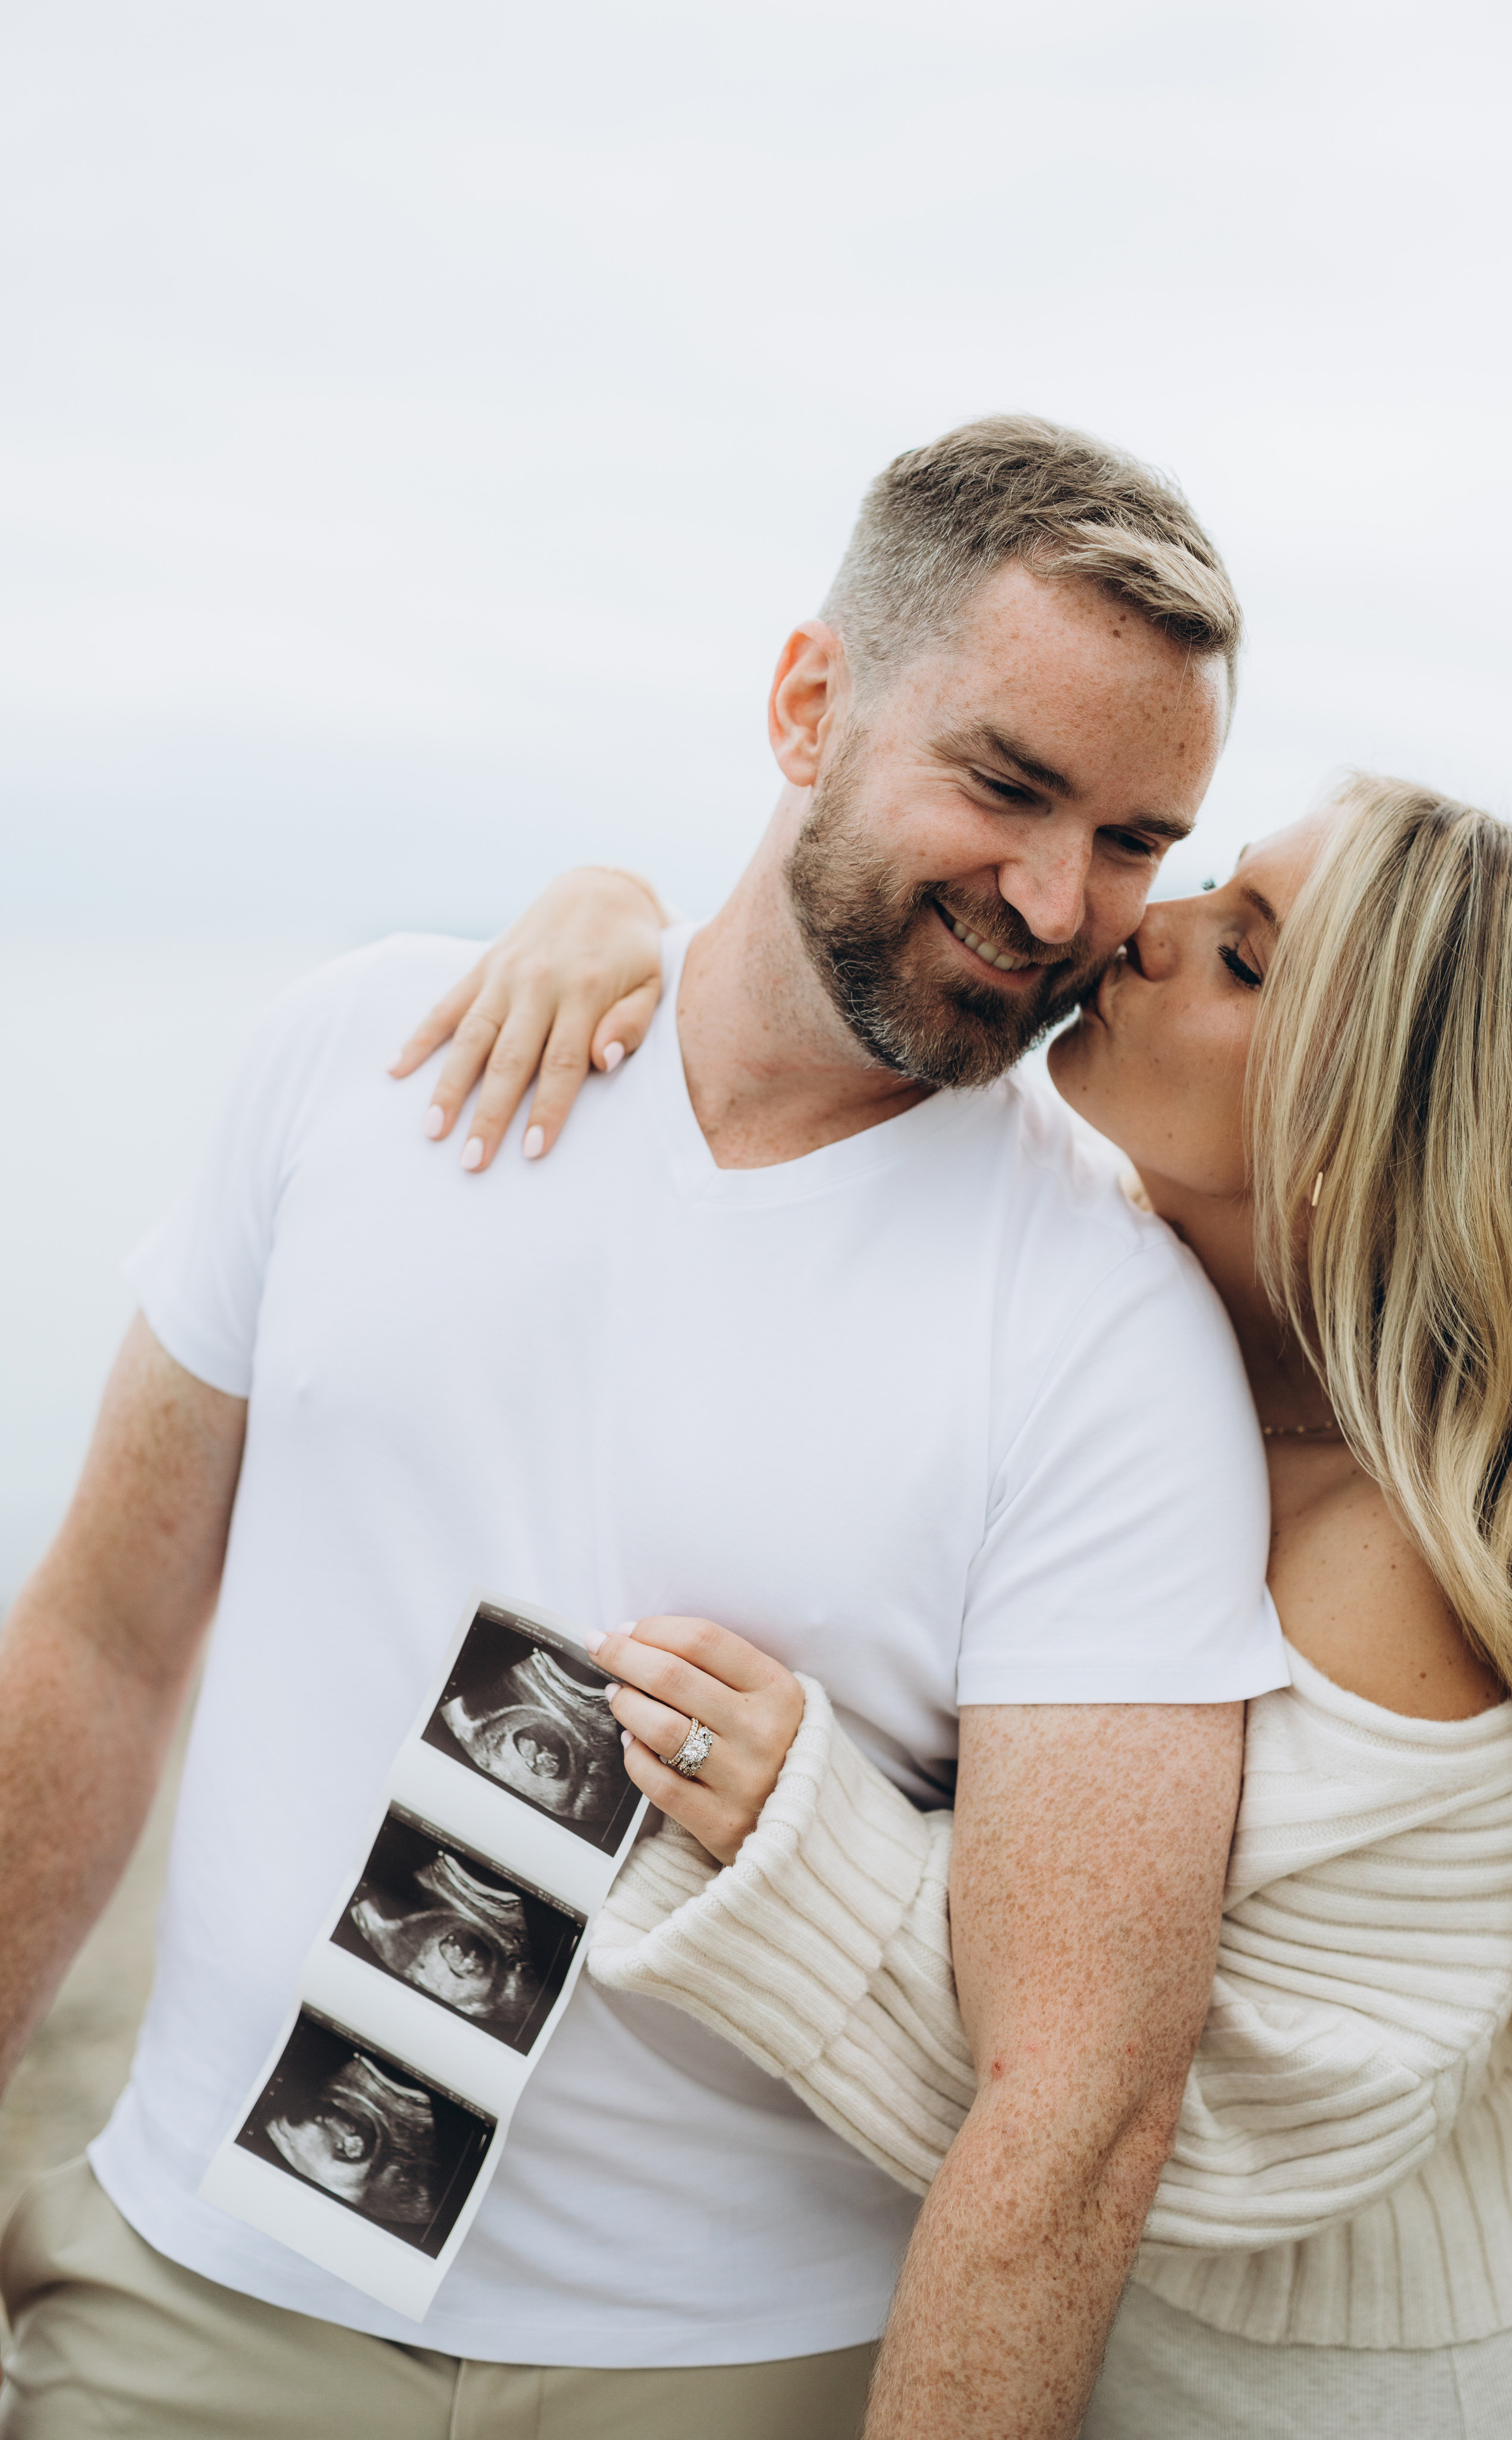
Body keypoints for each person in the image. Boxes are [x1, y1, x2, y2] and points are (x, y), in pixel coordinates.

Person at [0, 416, 1289, 2440]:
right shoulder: (363, 1059)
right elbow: (96, 1639)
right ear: (809, 704)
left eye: (1136, 841)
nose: (1058, 904)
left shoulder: (1110, 1332)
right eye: (1007, 785)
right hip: (201, 2295)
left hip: (721, 2371)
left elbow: (1085, 2090)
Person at [398, 779, 1512, 2437]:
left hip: (1345, 2390)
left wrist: (801, 1833)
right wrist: (618, 917)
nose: (1142, 927)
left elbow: (1181, 2123)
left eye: (1243, 961)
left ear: (1342, 1154)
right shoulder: (1145, 1295)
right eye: (1204, 885)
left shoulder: (1397, 1567)